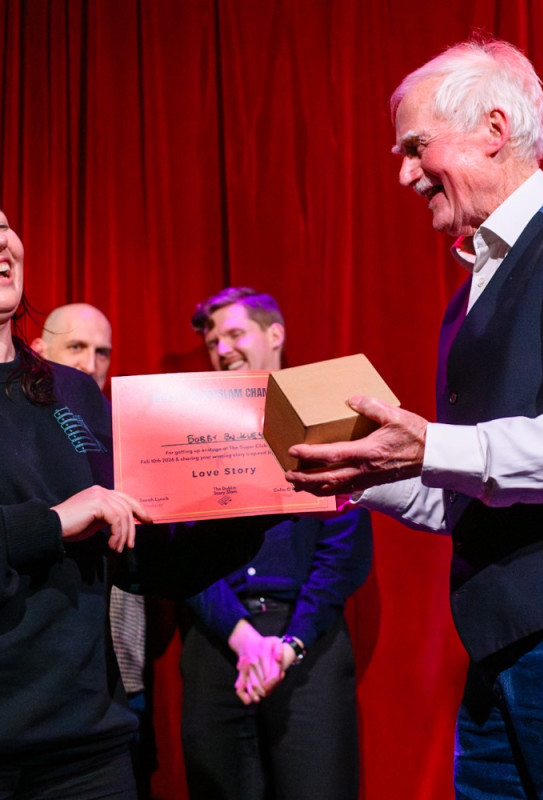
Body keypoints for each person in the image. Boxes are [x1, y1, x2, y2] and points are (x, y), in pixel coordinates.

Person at [285, 38, 543, 800]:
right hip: (505, 642)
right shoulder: (473, 290)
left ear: (494, 129)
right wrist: (359, 472)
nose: (403, 173)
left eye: (415, 147)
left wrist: (436, 446)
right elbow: (472, 488)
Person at [0, 166, 261, 799]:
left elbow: (143, 560)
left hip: (87, 752)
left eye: (0, 223)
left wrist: (263, 498)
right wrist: (48, 524)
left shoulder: (70, 391)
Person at [179, 287, 373, 800]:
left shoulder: (326, 420)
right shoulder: (189, 432)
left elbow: (343, 549)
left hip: (307, 638)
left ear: (275, 335)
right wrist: (242, 637)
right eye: (213, 342)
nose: (223, 349)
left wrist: (290, 644)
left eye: (235, 334)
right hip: (218, 638)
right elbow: (180, 549)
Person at [31, 303, 152, 798]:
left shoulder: (124, 432)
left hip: (117, 668)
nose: (90, 363)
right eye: (76, 347)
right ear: (38, 351)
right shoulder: (22, 432)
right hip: (40, 670)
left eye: (102, 352)